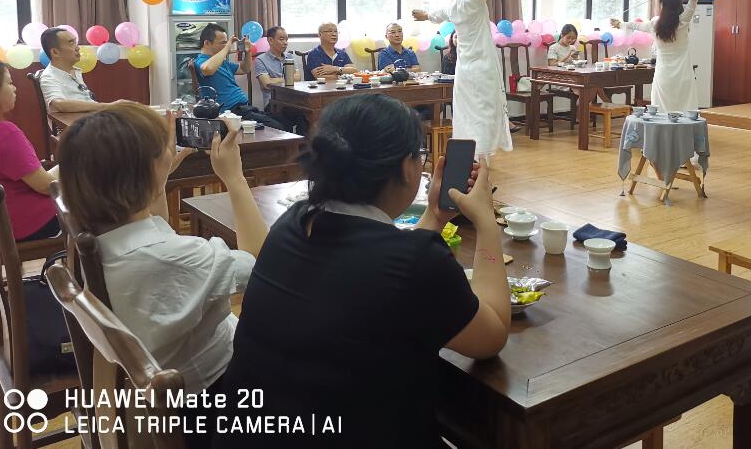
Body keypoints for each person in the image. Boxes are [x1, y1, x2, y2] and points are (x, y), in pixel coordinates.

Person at [217, 94, 510, 447]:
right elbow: (492, 335)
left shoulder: (293, 223)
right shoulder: (418, 262)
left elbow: (383, 272)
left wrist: (435, 215)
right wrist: (485, 221)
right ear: (407, 168)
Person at [59, 103, 266, 405]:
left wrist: (158, 177)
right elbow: (260, 263)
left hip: (156, 386)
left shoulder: (97, 236)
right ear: (145, 172)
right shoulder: (177, 258)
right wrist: (235, 178)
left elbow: (157, 228)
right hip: (214, 393)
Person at [413, 0, 515, 158]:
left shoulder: (454, 4)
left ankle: (470, 156)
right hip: (482, 67)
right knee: (485, 112)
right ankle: (482, 157)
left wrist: (424, 15)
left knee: (467, 113)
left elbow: (437, 14)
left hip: (465, 70)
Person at [0, 57, 61, 241]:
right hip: (31, 225)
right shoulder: (4, 134)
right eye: (9, 83)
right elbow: (47, 186)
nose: (14, 88)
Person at [611, 0, 700, 112]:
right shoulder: (683, 21)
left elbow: (634, 25)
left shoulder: (654, 24)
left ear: (663, 6)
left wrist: (619, 24)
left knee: (662, 111)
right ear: (679, 5)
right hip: (683, 75)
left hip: (663, 75)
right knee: (684, 110)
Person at [195, 23, 285, 130]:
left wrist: (248, 52)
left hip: (244, 108)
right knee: (280, 128)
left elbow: (244, 69)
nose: (226, 45)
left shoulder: (222, 62)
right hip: (230, 112)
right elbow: (208, 69)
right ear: (207, 43)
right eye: (223, 43)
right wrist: (227, 48)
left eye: (226, 43)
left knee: (285, 120)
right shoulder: (200, 61)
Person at [38, 26, 117, 113]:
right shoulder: (49, 76)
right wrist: (107, 106)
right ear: (55, 52)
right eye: (71, 43)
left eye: (75, 42)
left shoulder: (74, 71)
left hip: (93, 116)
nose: (77, 48)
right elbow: (59, 104)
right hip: (79, 120)